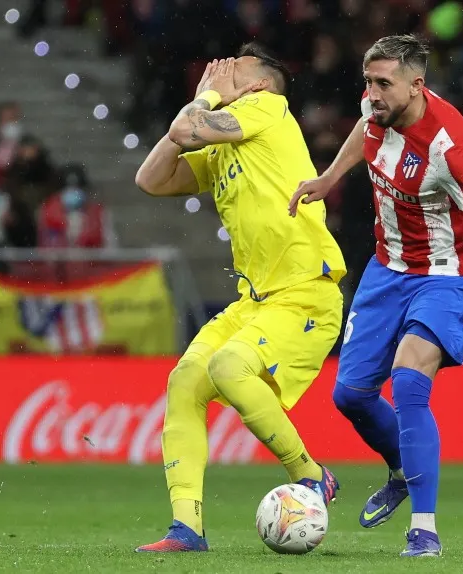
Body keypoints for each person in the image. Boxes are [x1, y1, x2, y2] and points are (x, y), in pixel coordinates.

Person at [289, 34, 463, 558]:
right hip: (386, 269)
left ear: (418, 85)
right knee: (350, 395)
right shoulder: (377, 109)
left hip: (447, 273)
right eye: (368, 82)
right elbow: (363, 132)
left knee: (410, 383)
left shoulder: (448, 144)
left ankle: (425, 529)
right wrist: (329, 178)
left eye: (383, 83)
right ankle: (400, 470)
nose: (372, 94)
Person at [133, 44, 346, 553]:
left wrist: (207, 95)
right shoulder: (228, 144)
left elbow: (187, 128)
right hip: (255, 300)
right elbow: (150, 178)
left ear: (259, 86)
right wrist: (200, 107)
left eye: (235, 70)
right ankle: (187, 528)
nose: (220, 71)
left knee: (229, 367)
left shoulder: (268, 110)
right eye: (217, 68)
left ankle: (312, 475)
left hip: (304, 295)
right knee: (185, 379)